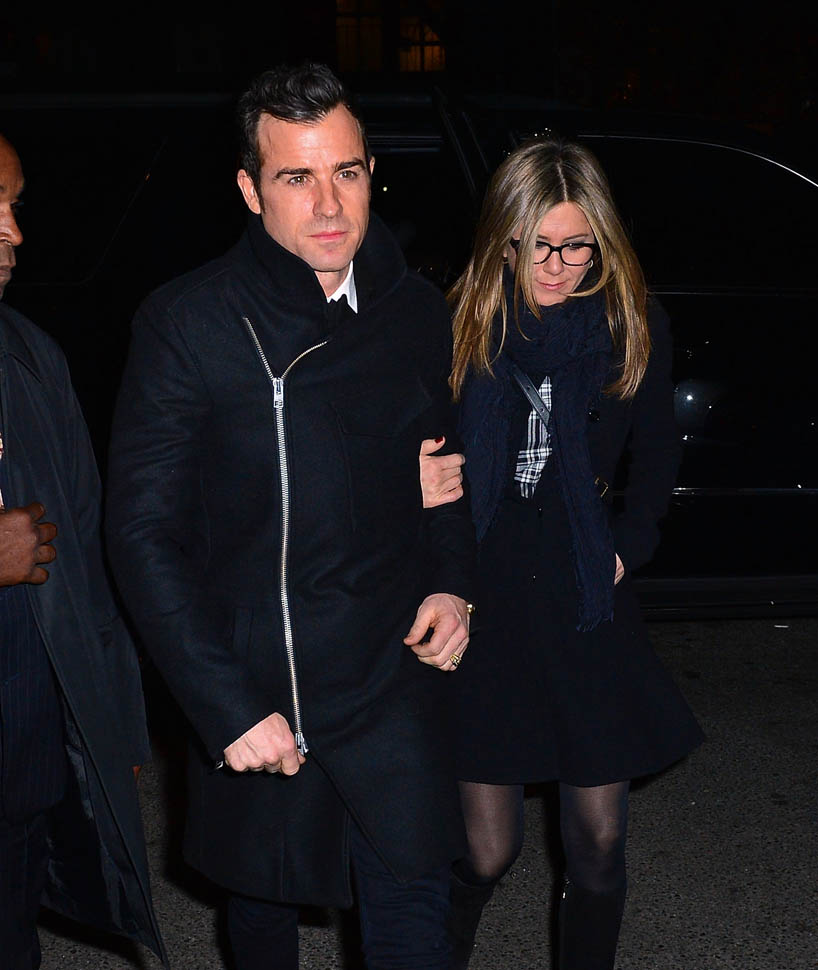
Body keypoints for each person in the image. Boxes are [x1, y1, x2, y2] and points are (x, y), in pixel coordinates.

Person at [105, 63, 475, 970]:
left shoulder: (415, 309)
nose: (329, 205)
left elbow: (445, 472)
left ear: (372, 171)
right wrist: (226, 705)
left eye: (346, 171)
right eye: (296, 177)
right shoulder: (190, 323)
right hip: (266, 685)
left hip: (391, 679)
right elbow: (142, 534)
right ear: (249, 189)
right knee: (264, 916)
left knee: (416, 917)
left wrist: (452, 585)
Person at [420, 135, 704, 969]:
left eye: (577, 245)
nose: (558, 265)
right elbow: (416, 450)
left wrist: (627, 546)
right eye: (539, 244)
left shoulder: (630, 323)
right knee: (487, 850)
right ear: (505, 237)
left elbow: (658, 450)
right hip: (487, 585)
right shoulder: (459, 323)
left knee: (600, 842)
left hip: (582, 584)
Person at [0, 134, 165, 968]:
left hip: (21, 754)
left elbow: (92, 559)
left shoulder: (31, 357)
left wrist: (115, 723)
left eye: (14, 205)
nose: (14, 232)